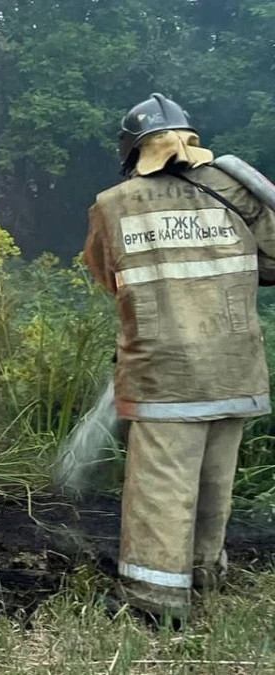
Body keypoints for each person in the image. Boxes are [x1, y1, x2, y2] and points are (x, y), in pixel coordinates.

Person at [84, 93, 275, 622]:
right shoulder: (237, 189)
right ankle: (204, 576)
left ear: (133, 152)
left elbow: (107, 274)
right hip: (235, 365)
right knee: (215, 480)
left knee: (161, 487)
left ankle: (154, 602)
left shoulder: (113, 203)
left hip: (165, 372)